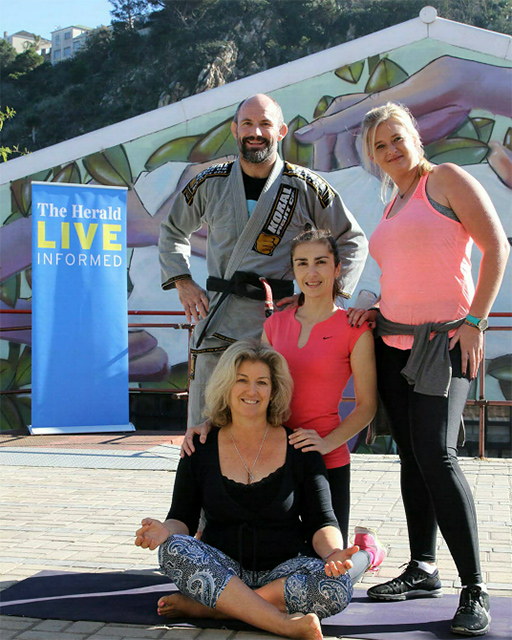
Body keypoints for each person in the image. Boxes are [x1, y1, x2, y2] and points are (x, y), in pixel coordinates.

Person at [347, 102, 510, 637]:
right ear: (373, 158)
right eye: (379, 146)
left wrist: (475, 321)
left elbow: (496, 248)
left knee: (437, 455)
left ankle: (475, 588)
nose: (391, 150)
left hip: (445, 342)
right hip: (391, 341)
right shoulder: (392, 202)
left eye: (396, 138)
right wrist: (374, 305)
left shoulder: (445, 179)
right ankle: (423, 568)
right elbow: (408, 271)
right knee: (412, 457)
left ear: (414, 135)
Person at [135, 341, 385, 640]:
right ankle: (280, 623)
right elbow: (182, 520)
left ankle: (213, 609)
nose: (252, 391)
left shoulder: (301, 448)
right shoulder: (199, 448)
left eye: (261, 383)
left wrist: (332, 553)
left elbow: (322, 522)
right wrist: (163, 531)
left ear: (274, 390)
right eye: (242, 381)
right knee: (174, 548)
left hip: (284, 571)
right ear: (227, 386)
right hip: (222, 571)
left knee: (336, 584)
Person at [158, 93, 368, 429]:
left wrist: (323, 298)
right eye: (248, 124)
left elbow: (352, 239)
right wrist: (183, 281)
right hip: (221, 319)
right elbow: (171, 230)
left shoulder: (304, 186)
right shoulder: (209, 182)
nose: (256, 131)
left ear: (281, 131)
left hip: (283, 324)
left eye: (265, 124)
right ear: (235, 129)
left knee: (280, 419)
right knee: (208, 422)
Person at [261, 227, 377, 548]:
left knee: (328, 569)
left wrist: (326, 443)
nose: (311, 272)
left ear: (338, 268)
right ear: (294, 270)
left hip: (327, 463)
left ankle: (368, 552)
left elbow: (367, 406)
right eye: (302, 263)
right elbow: (254, 393)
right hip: (274, 460)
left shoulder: (355, 329)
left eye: (321, 262)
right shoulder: (274, 325)